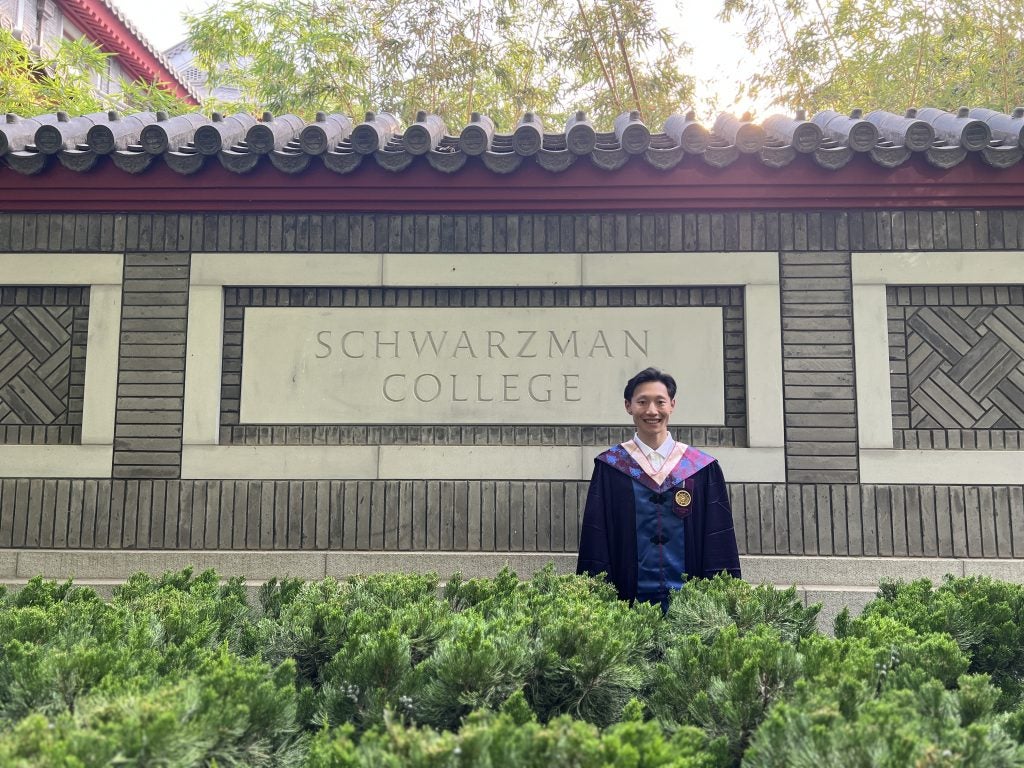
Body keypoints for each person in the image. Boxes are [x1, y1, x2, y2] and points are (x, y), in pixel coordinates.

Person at [577, 367, 741, 607]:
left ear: (672, 405)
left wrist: (718, 605)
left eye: (660, 402)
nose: (651, 411)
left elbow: (718, 538)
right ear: (628, 406)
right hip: (627, 600)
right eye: (642, 402)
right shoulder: (611, 467)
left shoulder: (701, 467)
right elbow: (597, 538)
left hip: (690, 606)